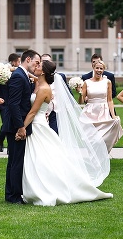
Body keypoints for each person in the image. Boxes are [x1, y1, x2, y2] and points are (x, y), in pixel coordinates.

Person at [20, 59, 112, 206]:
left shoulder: (44, 89)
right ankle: (34, 188)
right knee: (39, 158)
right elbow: (29, 76)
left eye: (38, 65)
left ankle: (46, 189)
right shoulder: (39, 82)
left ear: (43, 71)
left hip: (38, 125)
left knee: (41, 159)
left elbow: (32, 112)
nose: (35, 66)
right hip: (39, 125)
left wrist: (22, 128)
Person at [3, 49, 40, 203]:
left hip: (18, 125)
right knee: (16, 161)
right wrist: (20, 127)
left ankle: (13, 193)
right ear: (28, 59)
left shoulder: (23, 75)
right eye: (36, 62)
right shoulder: (18, 76)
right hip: (16, 127)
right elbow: (14, 104)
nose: (37, 66)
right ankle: (13, 196)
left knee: (15, 161)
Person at [80, 59, 123, 152]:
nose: (99, 70)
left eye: (101, 68)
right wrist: (81, 94)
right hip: (90, 112)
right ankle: (93, 157)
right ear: (93, 68)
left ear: (103, 70)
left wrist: (113, 115)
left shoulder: (107, 82)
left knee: (101, 139)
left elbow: (110, 100)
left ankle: (101, 155)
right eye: (97, 68)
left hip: (103, 111)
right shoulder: (86, 82)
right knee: (90, 138)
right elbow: (82, 101)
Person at [0, 54, 16, 153]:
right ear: (14, 62)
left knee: (12, 123)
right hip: (3, 101)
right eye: (18, 61)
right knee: (6, 123)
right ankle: (1, 138)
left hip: (13, 101)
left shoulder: (16, 71)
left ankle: (10, 147)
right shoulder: (2, 69)